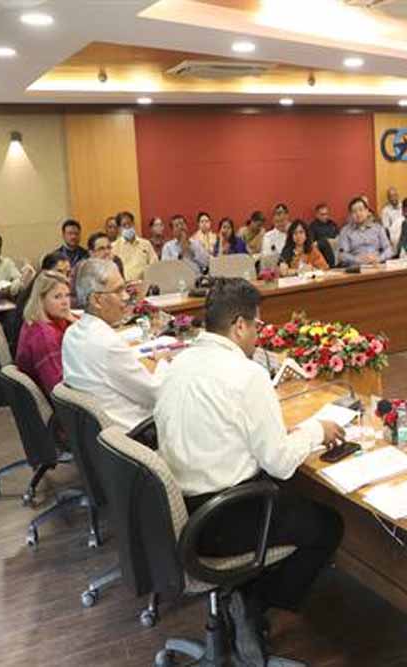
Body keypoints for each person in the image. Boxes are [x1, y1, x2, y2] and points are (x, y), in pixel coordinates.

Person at [155, 278, 344, 664]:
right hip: (223, 518)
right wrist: (316, 431)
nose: (258, 334)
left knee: (286, 498)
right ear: (239, 325)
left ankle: (243, 594)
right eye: (257, 325)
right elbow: (280, 463)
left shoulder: (178, 363)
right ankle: (253, 601)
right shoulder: (246, 374)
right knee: (327, 525)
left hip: (181, 511)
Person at [62, 259, 168, 430]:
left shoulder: (72, 333)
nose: (126, 297)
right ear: (96, 300)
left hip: (98, 434)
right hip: (134, 434)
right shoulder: (108, 344)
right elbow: (155, 393)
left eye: (125, 289)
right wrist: (162, 362)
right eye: (118, 291)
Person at [16, 270, 75, 395]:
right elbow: (58, 390)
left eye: (67, 295)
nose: (65, 302)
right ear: (41, 300)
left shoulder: (40, 320)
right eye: (57, 297)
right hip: (56, 398)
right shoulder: (43, 336)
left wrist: (75, 322)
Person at [337, 197, 393, 267]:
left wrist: (379, 258)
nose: (358, 214)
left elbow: (389, 249)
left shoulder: (378, 228)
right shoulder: (345, 231)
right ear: (351, 215)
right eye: (354, 211)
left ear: (367, 211)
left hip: (377, 265)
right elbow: (342, 255)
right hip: (357, 268)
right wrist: (358, 259)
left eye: (361, 210)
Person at [111, 211, 158, 281]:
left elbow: (155, 265)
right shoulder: (114, 247)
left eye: (129, 224)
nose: (127, 227)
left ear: (133, 224)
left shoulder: (146, 244)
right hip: (124, 284)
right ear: (119, 229)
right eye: (124, 225)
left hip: (144, 283)